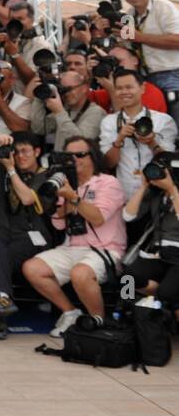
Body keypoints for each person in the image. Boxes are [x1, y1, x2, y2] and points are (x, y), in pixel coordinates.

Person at [22, 135, 127, 337]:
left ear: (93, 157)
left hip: (106, 249)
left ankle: (99, 322)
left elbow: (97, 218)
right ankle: (70, 312)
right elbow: (59, 224)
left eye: (79, 155)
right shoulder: (66, 183)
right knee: (32, 268)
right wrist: (60, 202)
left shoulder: (108, 182)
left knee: (80, 273)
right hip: (72, 246)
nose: (74, 160)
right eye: (69, 156)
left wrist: (73, 198)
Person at [0, 132, 52, 339]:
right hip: (3, 231)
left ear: (37, 152)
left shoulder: (48, 176)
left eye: (25, 151)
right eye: (15, 152)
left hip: (32, 236)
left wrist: (11, 169)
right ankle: (1, 300)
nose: (19, 156)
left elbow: (27, 199)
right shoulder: (2, 168)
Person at [99, 69, 178, 201]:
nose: (124, 92)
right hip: (124, 194)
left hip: (157, 193)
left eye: (129, 87)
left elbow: (169, 162)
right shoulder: (109, 122)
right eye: (119, 88)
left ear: (142, 88)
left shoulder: (163, 120)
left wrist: (152, 141)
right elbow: (108, 164)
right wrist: (119, 140)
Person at [121, 0, 179, 125]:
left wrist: (140, 37)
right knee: (154, 128)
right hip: (143, 79)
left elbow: (177, 40)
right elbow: (129, 50)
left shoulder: (163, 7)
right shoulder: (127, 15)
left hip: (171, 74)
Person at [121, 156, 179, 306]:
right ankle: (125, 306)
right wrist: (143, 187)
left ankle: (162, 300)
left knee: (167, 293)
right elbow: (128, 216)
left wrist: (172, 189)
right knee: (127, 278)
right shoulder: (156, 194)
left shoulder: (172, 192)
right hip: (158, 253)